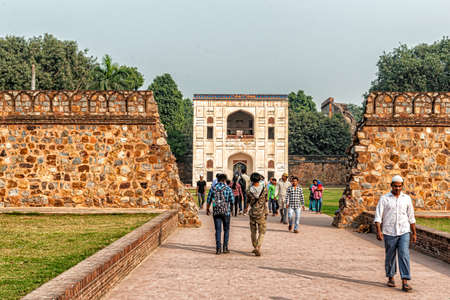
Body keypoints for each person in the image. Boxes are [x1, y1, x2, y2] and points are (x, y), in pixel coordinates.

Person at [374, 175, 416, 292]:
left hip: (404, 231)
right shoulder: (384, 198)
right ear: (391, 186)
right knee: (390, 255)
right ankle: (391, 277)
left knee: (404, 254)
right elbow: (378, 216)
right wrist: (378, 231)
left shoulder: (406, 199)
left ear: (402, 186)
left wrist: (414, 233)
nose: (397, 188)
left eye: (399, 186)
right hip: (389, 231)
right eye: (395, 186)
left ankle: (405, 281)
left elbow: (411, 217)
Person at [206, 174, 235, 255]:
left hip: (216, 211)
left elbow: (208, 200)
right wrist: (231, 210)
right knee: (226, 229)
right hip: (226, 212)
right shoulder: (228, 188)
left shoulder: (213, 188)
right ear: (225, 180)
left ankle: (218, 248)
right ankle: (225, 248)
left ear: (217, 179)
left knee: (218, 230)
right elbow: (232, 200)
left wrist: (207, 209)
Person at [244, 172, 268, 256]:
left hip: (253, 212)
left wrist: (245, 209)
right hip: (261, 212)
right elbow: (266, 199)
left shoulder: (248, 190)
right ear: (259, 179)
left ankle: (255, 245)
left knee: (253, 231)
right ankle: (257, 247)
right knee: (262, 231)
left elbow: (247, 201)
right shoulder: (264, 189)